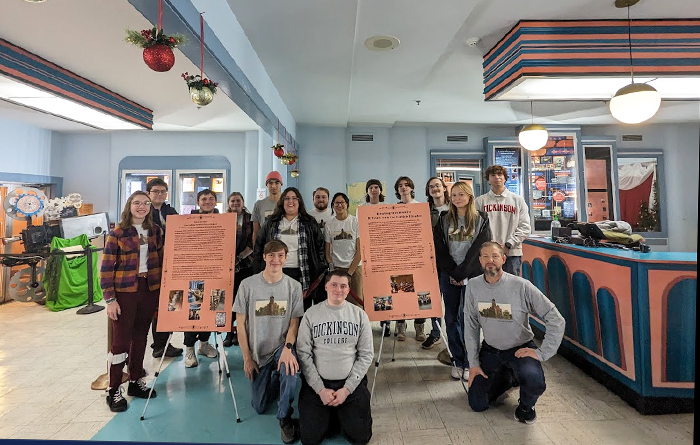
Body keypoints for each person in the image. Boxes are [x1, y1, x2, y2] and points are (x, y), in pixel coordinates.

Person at [465, 242, 565, 424]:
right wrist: (473, 364)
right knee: (477, 404)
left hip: (520, 349)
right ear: (480, 260)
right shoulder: (473, 286)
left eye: (495, 256)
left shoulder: (521, 286)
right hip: (491, 350)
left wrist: (542, 353)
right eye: (485, 256)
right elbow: (470, 325)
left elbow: (556, 319)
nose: (490, 261)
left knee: (535, 382)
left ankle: (526, 406)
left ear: (503, 259)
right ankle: (509, 377)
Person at [233, 240, 304, 444]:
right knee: (259, 406)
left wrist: (289, 349)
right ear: (264, 257)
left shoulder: (294, 286)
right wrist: (247, 358)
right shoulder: (248, 285)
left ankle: (284, 416)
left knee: (290, 369)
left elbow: (294, 323)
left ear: (285, 257)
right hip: (259, 351)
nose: (276, 260)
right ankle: (275, 380)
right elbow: (241, 323)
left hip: (282, 346)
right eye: (271, 255)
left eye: (280, 255)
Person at [101, 191, 164, 412]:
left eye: (145, 203)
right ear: (129, 206)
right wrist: (110, 299)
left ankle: (136, 381)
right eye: (136, 203)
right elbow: (106, 268)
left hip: (149, 290)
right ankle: (113, 388)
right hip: (125, 291)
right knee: (120, 341)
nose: (141, 207)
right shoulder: (117, 233)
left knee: (140, 337)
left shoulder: (156, 231)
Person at [296, 270, 374, 445]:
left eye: (343, 286)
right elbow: (303, 353)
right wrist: (320, 389)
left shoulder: (359, 315)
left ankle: (339, 412)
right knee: (310, 439)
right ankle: (331, 414)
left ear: (348, 290)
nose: (338, 289)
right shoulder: (311, 314)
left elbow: (366, 355)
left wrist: (347, 389)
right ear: (326, 287)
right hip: (318, 385)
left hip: (349, 385)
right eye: (334, 284)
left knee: (361, 438)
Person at [433, 181, 492, 381]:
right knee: (451, 318)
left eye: (461, 194)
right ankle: (457, 360)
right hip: (448, 275)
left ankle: (470, 361)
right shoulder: (443, 219)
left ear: (469, 197)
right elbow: (439, 248)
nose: (458, 198)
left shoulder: (481, 219)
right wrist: (453, 272)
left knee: (469, 319)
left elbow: (480, 249)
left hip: (472, 276)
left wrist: (464, 273)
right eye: (454, 195)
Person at [253, 187, 327, 311]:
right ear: (282, 202)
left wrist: (317, 272)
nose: (290, 201)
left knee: (300, 312)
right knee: (279, 311)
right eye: (287, 198)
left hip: (302, 274)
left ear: (299, 202)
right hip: (277, 273)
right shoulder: (271, 223)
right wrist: (258, 271)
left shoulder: (309, 222)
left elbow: (320, 248)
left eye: (294, 198)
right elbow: (259, 247)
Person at [146, 178, 183, 359]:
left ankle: (165, 343)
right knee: (155, 307)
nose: (159, 194)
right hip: (152, 266)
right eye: (156, 191)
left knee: (171, 304)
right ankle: (157, 345)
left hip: (172, 264)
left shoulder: (171, 211)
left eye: (163, 191)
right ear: (149, 193)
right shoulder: (144, 212)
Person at [183, 189, 220, 367]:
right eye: (204, 199)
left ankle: (204, 344)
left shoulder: (223, 221)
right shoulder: (189, 221)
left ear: (215, 201)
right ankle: (189, 349)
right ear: (198, 202)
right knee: (194, 310)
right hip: (196, 275)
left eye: (211, 198)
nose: (207, 201)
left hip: (217, 274)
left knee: (213, 308)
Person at [475, 165, 531, 276]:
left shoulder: (518, 200)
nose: (497, 177)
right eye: (493, 175)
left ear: (505, 178)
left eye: (500, 174)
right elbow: (475, 228)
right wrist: (490, 247)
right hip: (488, 255)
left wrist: (508, 244)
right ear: (488, 179)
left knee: (511, 288)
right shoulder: (480, 201)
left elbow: (525, 227)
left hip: (511, 253)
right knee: (488, 287)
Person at [392, 176, 425, 341]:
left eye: (406, 185)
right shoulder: (393, 209)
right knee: (401, 293)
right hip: (399, 258)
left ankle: (420, 327)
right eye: (400, 186)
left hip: (417, 258)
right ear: (397, 190)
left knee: (419, 293)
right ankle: (401, 325)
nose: (403, 187)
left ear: (412, 188)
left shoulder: (420, 207)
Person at [421, 176, 450, 350]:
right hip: (430, 261)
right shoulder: (424, 210)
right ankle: (435, 332)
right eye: (431, 187)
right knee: (432, 299)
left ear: (444, 188)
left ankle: (455, 336)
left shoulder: (454, 207)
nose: (435, 189)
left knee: (451, 299)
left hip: (451, 260)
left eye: (438, 185)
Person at [223, 192, 254, 347]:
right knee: (227, 300)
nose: (235, 203)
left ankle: (240, 333)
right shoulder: (222, 219)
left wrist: (239, 258)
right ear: (228, 203)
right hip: (225, 267)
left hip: (245, 264)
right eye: (232, 201)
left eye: (238, 201)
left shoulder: (250, 219)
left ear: (243, 202)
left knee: (241, 299)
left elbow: (252, 241)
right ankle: (228, 333)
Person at [324, 193, 362, 307]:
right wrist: (334, 270)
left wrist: (350, 272)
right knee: (337, 302)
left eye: (342, 202)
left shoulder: (355, 222)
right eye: (336, 203)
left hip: (355, 269)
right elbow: (327, 252)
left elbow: (360, 251)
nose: (339, 205)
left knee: (356, 302)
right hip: (337, 270)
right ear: (333, 205)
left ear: (347, 204)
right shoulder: (329, 224)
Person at [252, 171, 283, 243]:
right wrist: (255, 251)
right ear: (267, 185)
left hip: (283, 245)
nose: (273, 186)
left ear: (281, 184)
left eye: (277, 183)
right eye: (270, 183)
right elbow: (256, 232)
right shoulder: (259, 205)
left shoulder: (287, 203)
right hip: (265, 245)